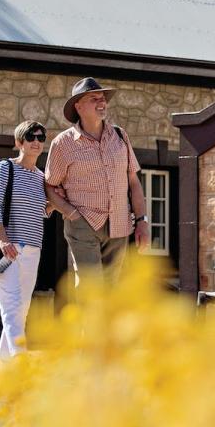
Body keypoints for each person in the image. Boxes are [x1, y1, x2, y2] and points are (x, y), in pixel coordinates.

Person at [45, 78, 149, 291]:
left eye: (103, 99)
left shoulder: (120, 136)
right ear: (79, 106)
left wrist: (142, 221)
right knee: (90, 288)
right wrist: (70, 212)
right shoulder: (63, 144)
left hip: (119, 224)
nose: (102, 103)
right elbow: (49, 185)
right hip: (82, 223)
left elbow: (133, 182)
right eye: (94, 99)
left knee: (111, 293)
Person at [0, 120, 52, 359]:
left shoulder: (40, 177)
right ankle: (21, 361)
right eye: (30, 137)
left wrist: (53, 205)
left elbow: (40, 212)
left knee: (20, 311)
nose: (36, 142)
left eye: (41, 138)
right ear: (19, 143)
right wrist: (2, 239)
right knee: (12, 307)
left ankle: (3, 371)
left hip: (33, 249)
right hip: (10, 248)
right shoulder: (6, 168)